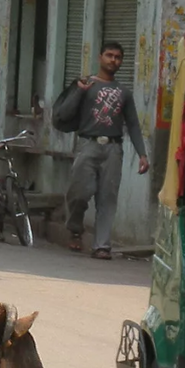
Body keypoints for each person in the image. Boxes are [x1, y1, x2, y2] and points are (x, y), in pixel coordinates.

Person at [53, 41, 150, 260]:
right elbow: (64, 115)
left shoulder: (123, 92)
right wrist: (79, 91)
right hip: (87, 145)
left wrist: (142, 154)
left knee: (107, 198)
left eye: (117, 57)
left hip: (113, 150)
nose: (113, 60)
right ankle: (75, 228)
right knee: (78, 194)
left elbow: (133, 124)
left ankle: (101, 246)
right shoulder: (85, 85)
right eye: (109, 55)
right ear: (100, 57)